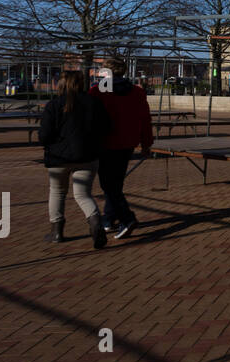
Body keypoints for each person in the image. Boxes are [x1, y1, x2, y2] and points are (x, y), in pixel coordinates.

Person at [39, 71, 110, 248]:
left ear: (61, 84)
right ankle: (95, 223)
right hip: (87, 156)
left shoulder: (54, 105)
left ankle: (56, 232)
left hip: (58, 158)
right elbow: (106, 128)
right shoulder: (94, 103)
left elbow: (44, 136)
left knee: (57, 192)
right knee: (83, 194)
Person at [89, 57, 152, 238]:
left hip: (106, 143)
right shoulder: (136, 93)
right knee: (115, 182)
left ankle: (127, 218)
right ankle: (109, 218)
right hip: (128, 143)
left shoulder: (98, 92)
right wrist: (146, 143)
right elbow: (145, 119)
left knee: (108, 185)